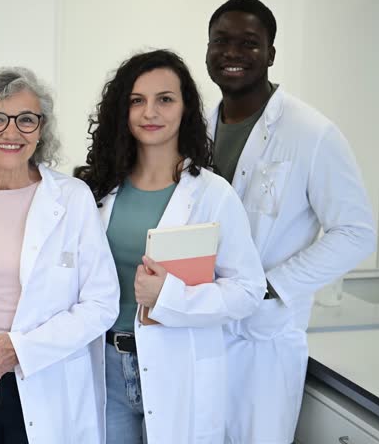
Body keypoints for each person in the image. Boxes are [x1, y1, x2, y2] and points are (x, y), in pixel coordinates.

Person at [204, 0, 377, 444]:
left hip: (264, 339)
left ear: (271, 54)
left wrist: (270, 286)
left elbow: (356, 233)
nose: (232, 54)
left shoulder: (311, 132)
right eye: (221, 41)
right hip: (202, 330)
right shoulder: (198, 127)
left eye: (249, 43)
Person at [76, 49, 266, 443]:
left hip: (178, 363)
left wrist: (170, 296)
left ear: (185, 109)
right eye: (137, 101)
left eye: (165, 99)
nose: (150, 112)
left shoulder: (213, 195)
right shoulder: (96, 191)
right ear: (122, 112)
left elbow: (248, 291)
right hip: (106, 363)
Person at [0, 67, 119, 443]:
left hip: (46, 379)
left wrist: (22, 350)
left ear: (41, 129)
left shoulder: (73, 198)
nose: (11, 133)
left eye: (26, 120)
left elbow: (101, 303)